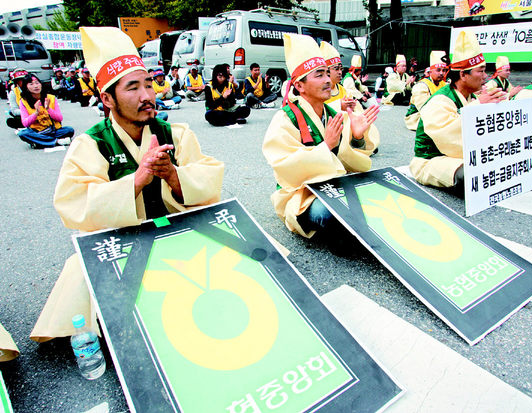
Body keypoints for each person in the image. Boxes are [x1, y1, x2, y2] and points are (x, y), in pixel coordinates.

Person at [30, 26, 224, 342]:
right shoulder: (90, 144)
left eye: (148, 84)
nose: (147, 95)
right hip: (121, 241)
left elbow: (209, 182)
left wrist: (173, 176)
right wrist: (135, 181)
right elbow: (74, 204)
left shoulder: (175, 133)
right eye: (132, 88)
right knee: (89, 285)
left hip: (175, 232)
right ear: (107, 98)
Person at [262, 34, 379, 239]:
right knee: (330, 213)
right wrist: (326, 147)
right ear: (299, 86)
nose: (327, 80)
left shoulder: (334, 115)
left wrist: (357, 138)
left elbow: (351, 162)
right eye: (319, 75)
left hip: (336, 184)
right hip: (302, 194)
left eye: (327, 73)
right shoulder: (285, 119)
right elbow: (285, 166)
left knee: (375, 197)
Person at [409, 30, 504, 189]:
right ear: (463, 75)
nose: (485, 76)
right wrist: (479, 107)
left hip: (455, 155)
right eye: (480, 71)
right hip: (433, 160)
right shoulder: (440, 100)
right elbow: (449, 137)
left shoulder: (470, 97)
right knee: (470, 174)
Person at [320, 41, 379, 156]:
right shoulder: (319, 91)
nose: (339, 72)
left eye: (341, 69)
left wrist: (353, 106)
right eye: (336, 69)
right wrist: (339, 106)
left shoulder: (342, 89)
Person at [17, 74, 75, 149]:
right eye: (31, 84)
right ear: (26, 87)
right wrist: (36, 113)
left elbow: (59, 118)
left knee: (69, 130)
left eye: (37, 83)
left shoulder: (51, 97)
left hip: (53, 130)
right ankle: (57, 142)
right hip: (37, 132)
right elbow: (25, 123)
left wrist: (48, 109)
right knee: (23, 133)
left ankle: (40, 142)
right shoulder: (23, 101)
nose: (35, 86)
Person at [405, 51, 447, 131]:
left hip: (438, 113)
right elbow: (425, 109)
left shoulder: (444, 84)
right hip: (418, 117)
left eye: (444, 70)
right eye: (438, 70)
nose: (441, 73)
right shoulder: (421, 86)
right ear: (430, 72)